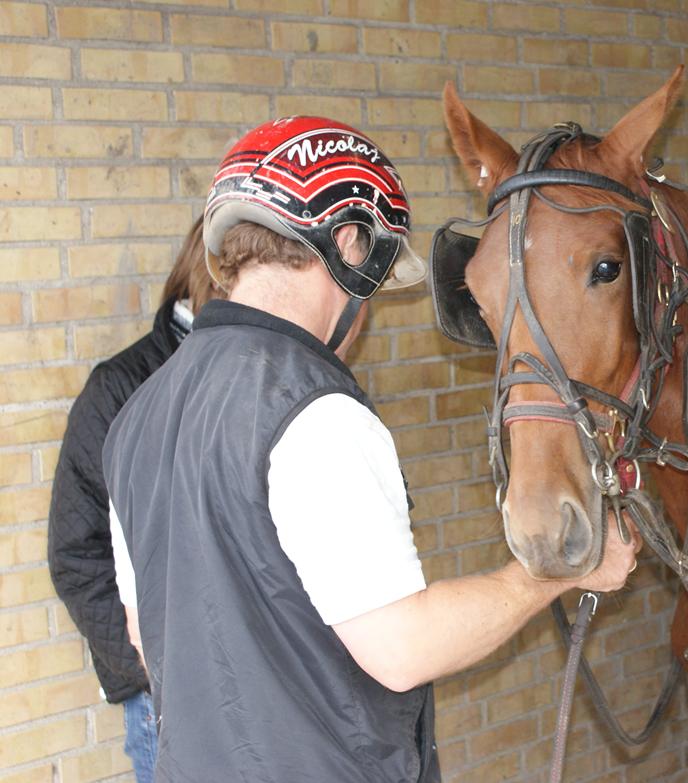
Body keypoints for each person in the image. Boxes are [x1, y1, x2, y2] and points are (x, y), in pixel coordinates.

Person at [101, 117, 639, 782]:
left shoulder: (135, 417)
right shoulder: (314, 411)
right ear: (349, 241)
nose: (373, 307)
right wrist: (559, 572)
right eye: (378, 275)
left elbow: (147, 636)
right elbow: (401, 648)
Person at [48, 217, 218, 783]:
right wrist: (151, 670)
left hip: (267, 687)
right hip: (171, 704)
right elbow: (77, 552)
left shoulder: (273, 376)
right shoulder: (120, 389)